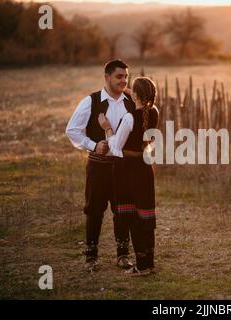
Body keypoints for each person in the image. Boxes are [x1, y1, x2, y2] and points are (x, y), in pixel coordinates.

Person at [65, 59, 135, 272]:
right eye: (119, 76)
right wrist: (93, 145)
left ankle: (123, 255)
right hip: (98, 166)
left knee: (122, 210)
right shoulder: (91, 101)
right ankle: (91, 257)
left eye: (125, 76)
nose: (123, 80)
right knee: (94, 211)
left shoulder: (130, 102)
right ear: (107, 77)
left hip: (123, 168)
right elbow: (72, 130)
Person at [98, 77, 159, 276]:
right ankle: (148, 263)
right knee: (146, 216)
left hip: (129, 170)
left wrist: (107, 128)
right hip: (145, 167)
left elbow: (116, 147)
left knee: (133, 217)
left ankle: (141, 266)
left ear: (135, 95)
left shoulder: (130, 118)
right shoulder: (154, 112)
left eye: (132, 88)